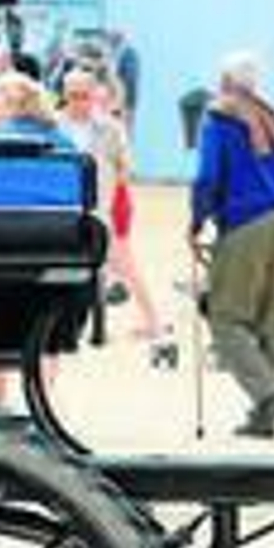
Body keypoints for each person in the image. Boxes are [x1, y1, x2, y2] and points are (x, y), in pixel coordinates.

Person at [190, 50, 274, 439]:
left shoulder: (219, 118)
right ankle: (268, 416)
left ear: (223, 80)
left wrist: (197, 219)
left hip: (246, 224)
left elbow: (207, 176)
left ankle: (264, 391)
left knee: (226, 316)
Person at [0, 72, 93, 406]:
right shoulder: (65, 143)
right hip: (57, 251)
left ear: (9, 104)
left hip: (1, 255)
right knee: (47, 334)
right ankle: (42, 403)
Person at [55, 64, 167, 353]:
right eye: (72, 96)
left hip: (104, 208)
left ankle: (152, 321)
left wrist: (111, 198)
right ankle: (76, 326)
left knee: (122, 263)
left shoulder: (110, 128)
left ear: (93, 95)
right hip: (64, 209)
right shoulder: (54, 127)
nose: (78, 102)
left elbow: (124, 167)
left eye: (84, 95)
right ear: (64, 96)